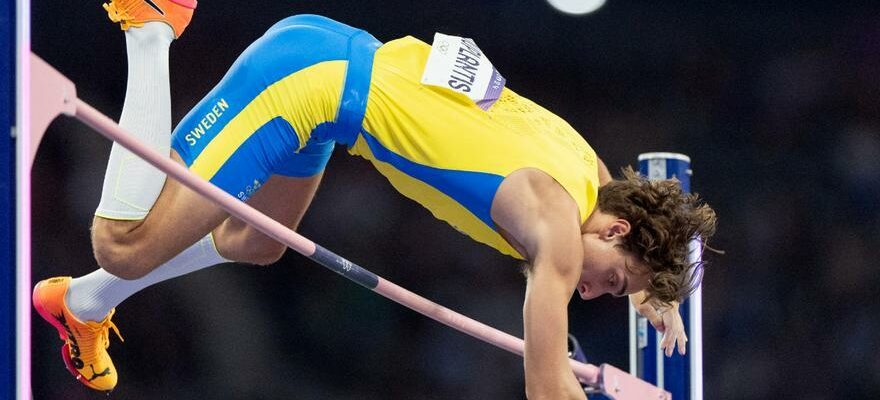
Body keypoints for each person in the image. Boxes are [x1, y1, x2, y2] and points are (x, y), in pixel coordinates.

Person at [32, 1, 718, 398]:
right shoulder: (561, 235)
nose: (595, 293)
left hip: (335, 83)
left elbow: (627, 203)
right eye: (614, 280)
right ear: (616, 228)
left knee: (258, 240)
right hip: (305, 83)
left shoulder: (584, 168)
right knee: (122, 244)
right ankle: (149, 26)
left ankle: (83, 304)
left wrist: (645, 289)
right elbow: (546, 386)